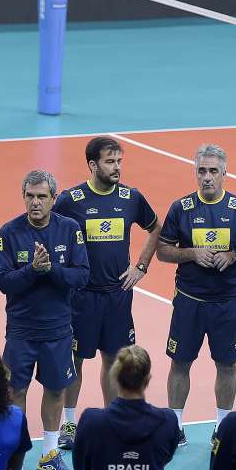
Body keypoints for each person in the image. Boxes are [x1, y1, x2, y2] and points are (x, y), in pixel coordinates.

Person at [53, 137, 161, 448]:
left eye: (119, 162)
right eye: (110, 162)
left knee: (114, 360)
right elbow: (53, 233)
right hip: (82, 296)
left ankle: (114, 417)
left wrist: (140, 266)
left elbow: (154, 228)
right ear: (92, 165)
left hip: (117, 295)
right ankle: (70, 425)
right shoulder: (70, 200)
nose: (116, 168)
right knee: (75, 359)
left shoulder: (131, 198)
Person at [0, 169, 89, 470]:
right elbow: (4, 282)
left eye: (42, 197)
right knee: (15, 390)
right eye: (30, 196)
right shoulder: (9, 232)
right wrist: (34, 270)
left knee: (55, 389)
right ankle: (15, 455)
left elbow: (81, 275)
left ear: (53, 199)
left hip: (58, 329)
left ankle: (49, 454)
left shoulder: (70, 229)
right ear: (24, 197)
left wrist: (51, 271)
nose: (36, 202)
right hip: (21, 330)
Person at [158, 144, 236, 442]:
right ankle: (175, 426)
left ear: (225, 173)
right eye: (202, 171)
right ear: (194, 172)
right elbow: (162, 250)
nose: (207, 177)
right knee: (180, 362)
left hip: (225, 303)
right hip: (189, 302)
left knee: (227, 364)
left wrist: (233, 255)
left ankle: (222, 426)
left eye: (213, 171)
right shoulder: (180, 208)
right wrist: (191, 254)